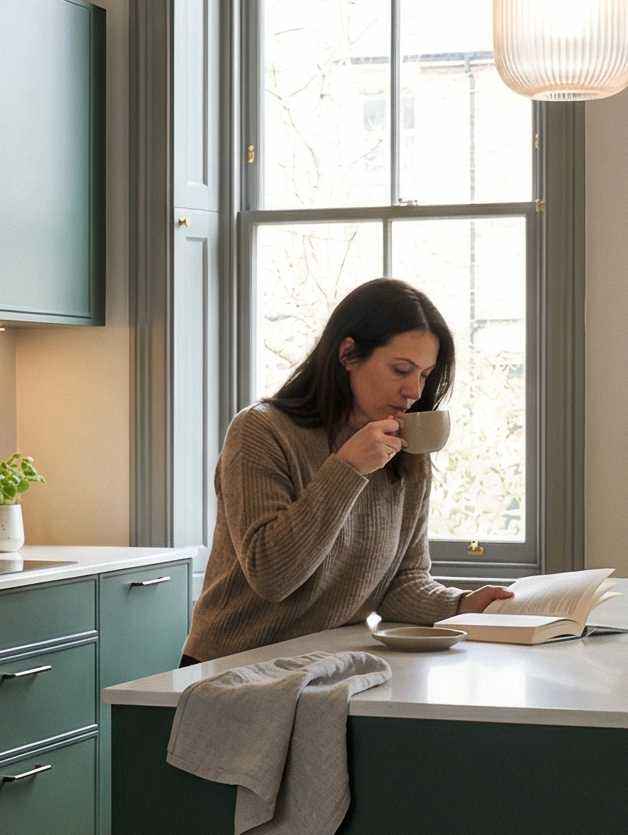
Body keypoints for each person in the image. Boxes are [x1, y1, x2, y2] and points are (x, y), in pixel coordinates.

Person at [182, 277, 513, 663]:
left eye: (424, 374)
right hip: (232, 667)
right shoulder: (261, 430)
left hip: (324, 664)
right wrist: (348, 468)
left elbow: (400, 583)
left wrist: (462, 604)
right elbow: (272, 577)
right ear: (349, 354)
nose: (415, 391)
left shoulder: (406, 446)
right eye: (401, 369)